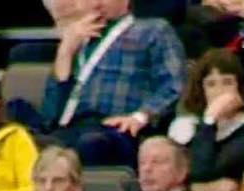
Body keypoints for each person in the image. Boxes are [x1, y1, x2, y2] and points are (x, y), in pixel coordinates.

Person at [38, 0, 187, 167]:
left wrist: (141, 116)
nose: (96, 3)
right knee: (32, 143)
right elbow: (49, 113)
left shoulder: (153, 30)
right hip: (71, 127)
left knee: (89, 144)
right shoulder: (77, 38)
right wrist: (65, 52)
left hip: (117, 128)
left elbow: (174, 85)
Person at [168, 49, 244, 191]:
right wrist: (202, 188)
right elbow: (170, 181)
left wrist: (210, 119)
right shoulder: (186, 126)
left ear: (240, 88)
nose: (220, 91)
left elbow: (204, 171)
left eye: (227, 82)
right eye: (211, 84)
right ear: (201, 90)